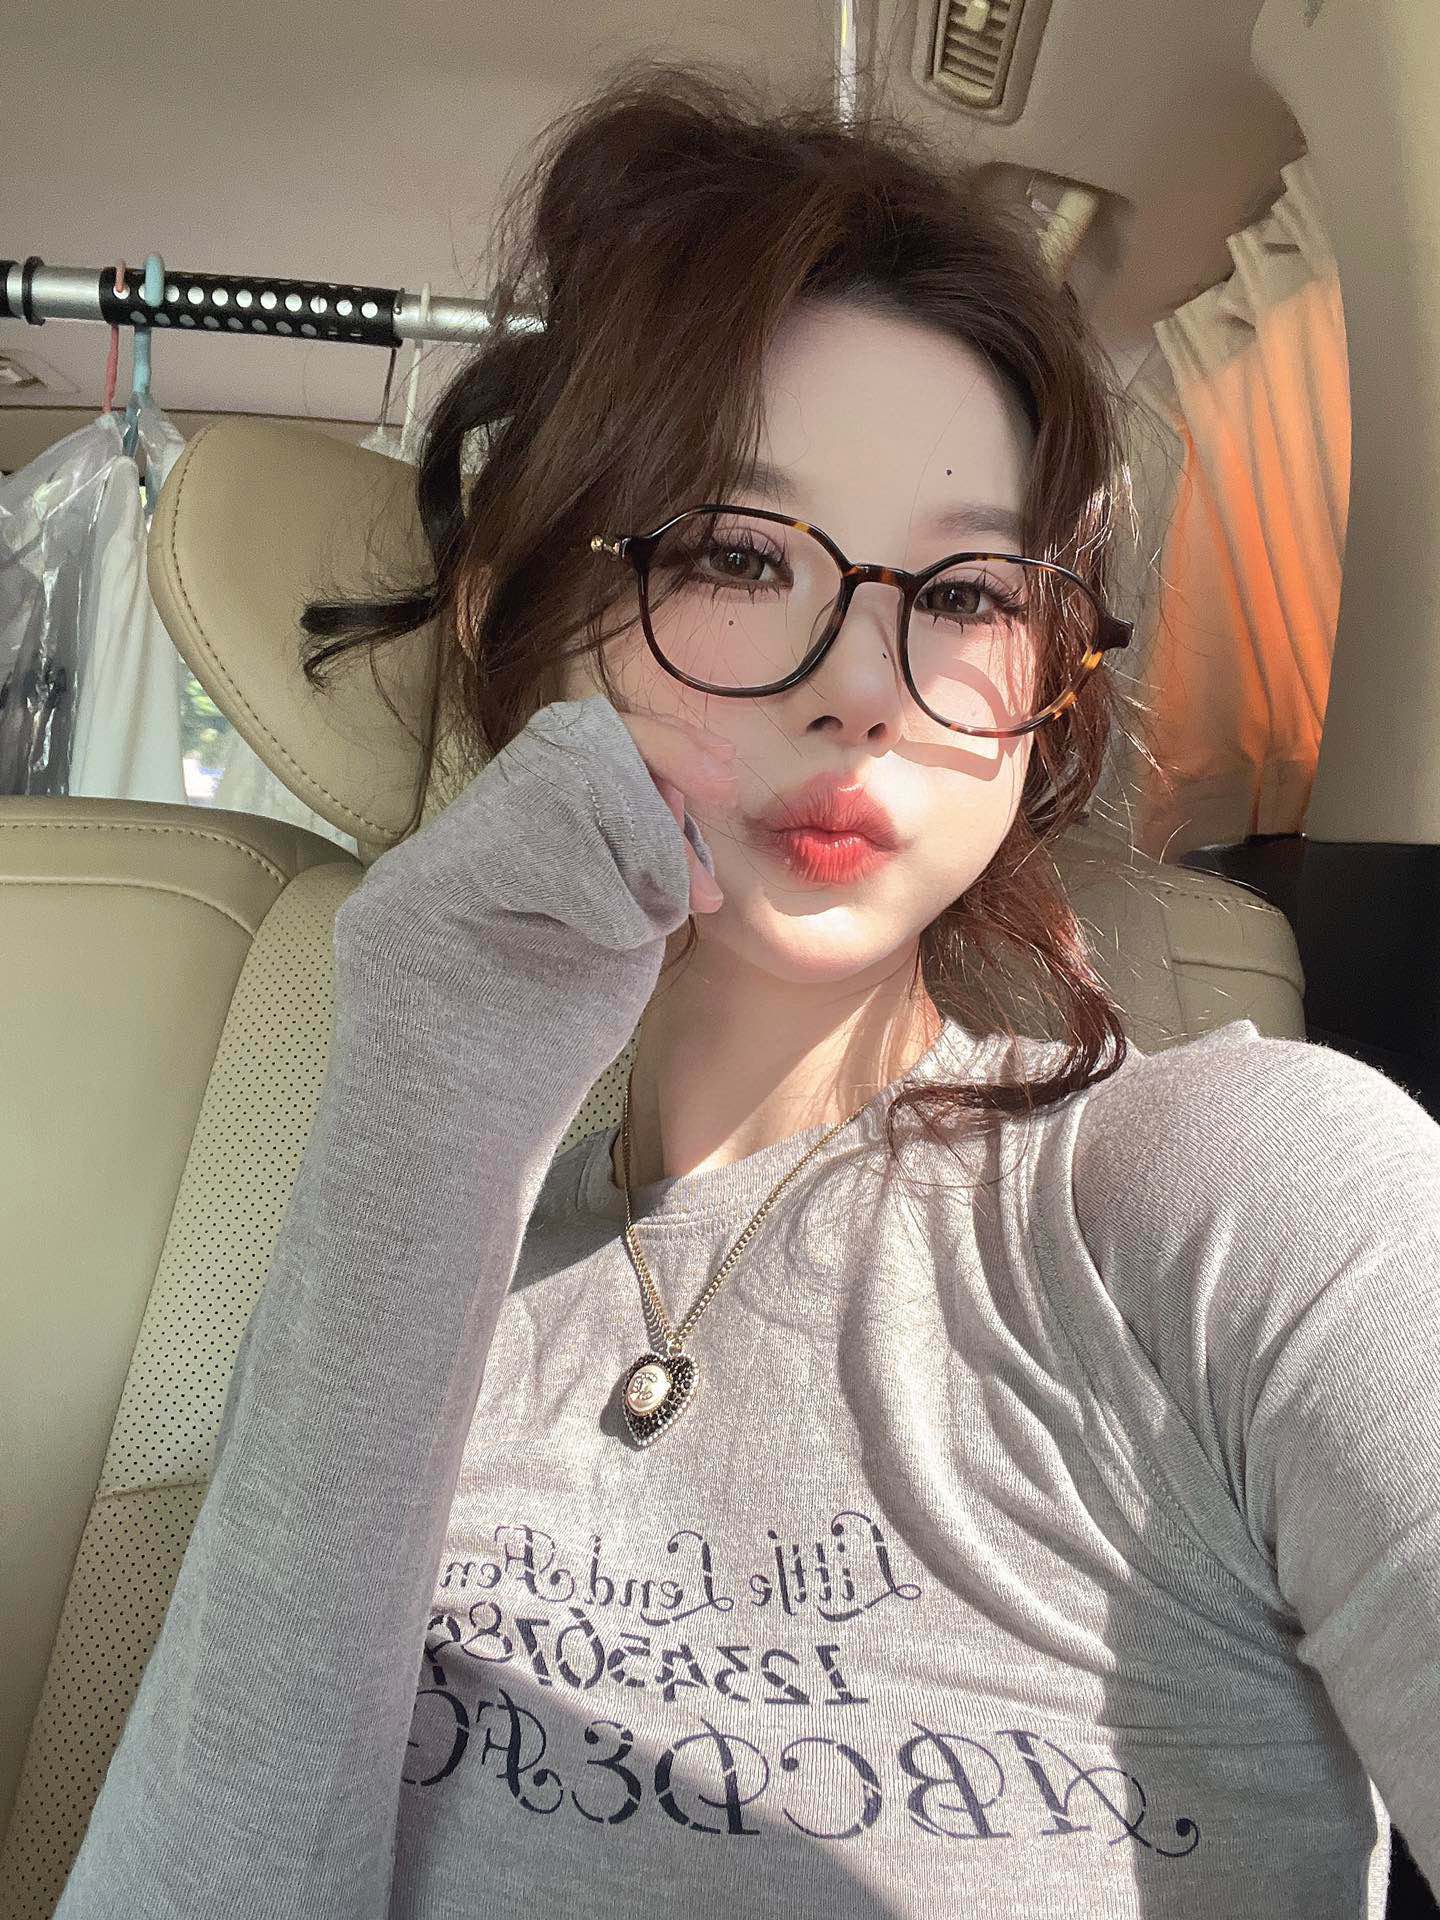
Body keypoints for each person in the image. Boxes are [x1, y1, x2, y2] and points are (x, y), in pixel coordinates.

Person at [55, 57, 1440, 1920]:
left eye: (968, 591)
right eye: (733, 552)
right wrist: (419, 1100)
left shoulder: (1244, 1195)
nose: (862, 682)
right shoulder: (411, 1263)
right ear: (517, 622)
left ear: (1043, 697)